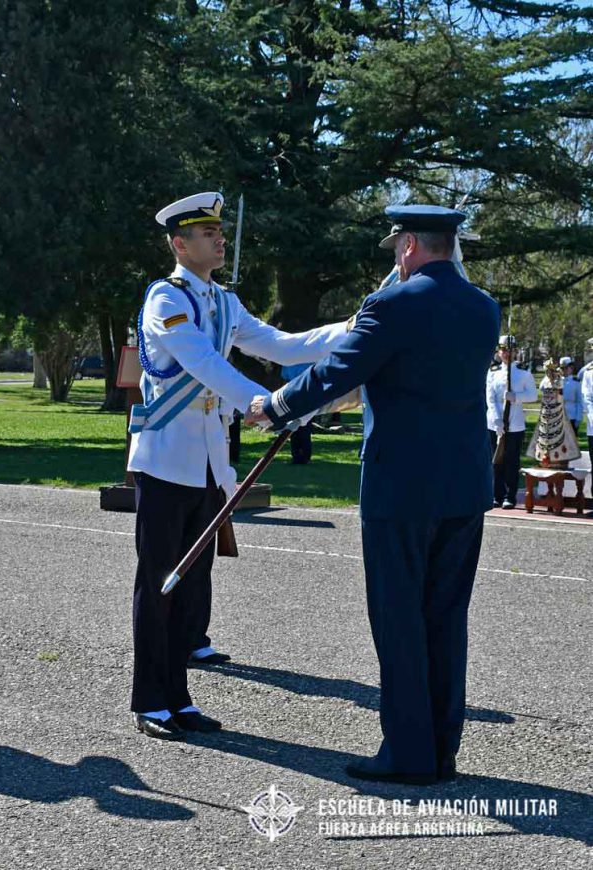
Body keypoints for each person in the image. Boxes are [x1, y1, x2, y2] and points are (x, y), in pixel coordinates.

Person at [246, 205, 500, 784]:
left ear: (409, 244)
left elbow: (337, 371)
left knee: (398, 617)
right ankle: (441, 748)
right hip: (463, 484)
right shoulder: (485, 307)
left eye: (395, 249)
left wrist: (276, 406)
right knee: (445, 617)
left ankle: (407, 755)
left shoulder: (392, 304)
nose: (395, 258)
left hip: (401, 484)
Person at [128, 191, 351, 739]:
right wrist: (260, 403)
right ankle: (150, 700)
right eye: (208, 234)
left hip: (208, 464)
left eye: (219, 232)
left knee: (192, 583)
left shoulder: (225, 302)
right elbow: (202, 364)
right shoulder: (166, 299)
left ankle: (179, 698)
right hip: (165, 462)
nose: (219, 238)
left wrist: (355, 326)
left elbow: (285, 346)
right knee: (158, 583)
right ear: (180, 244)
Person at [486, 336, 537, 508]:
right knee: (495, 461)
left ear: (515, 351)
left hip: (515, 424)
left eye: (510, 350)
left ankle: (510, 496)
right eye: (503, 350)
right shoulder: (492, 372)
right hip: (495, 423)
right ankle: (496, 494)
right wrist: (497, 420)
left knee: (511, 462)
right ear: (498, 352)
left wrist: (516, 397)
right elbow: (490, 398)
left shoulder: (523, 372)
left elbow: (533, 395)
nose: (507, 353)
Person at [557, 356, 582, 434]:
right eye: (562, 368)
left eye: (566, 368)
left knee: (571, 444)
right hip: (557, 417)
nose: (564, 370)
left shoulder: (576, 383)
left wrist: (578, 418)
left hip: (571, 416)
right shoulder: (556, 381)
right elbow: (542, 387)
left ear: (571, 368)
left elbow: (579, 401)